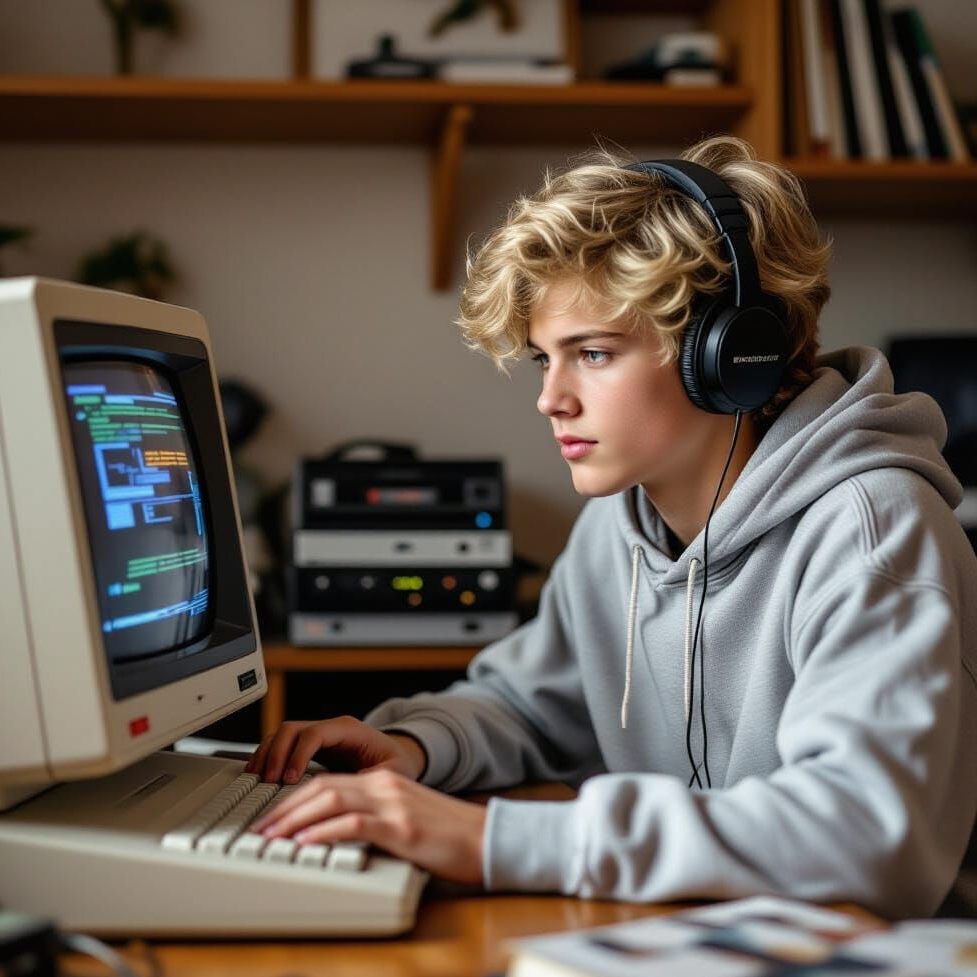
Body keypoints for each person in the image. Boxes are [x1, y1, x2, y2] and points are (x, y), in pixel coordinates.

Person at [248, 135, 977, 918]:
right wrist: (418, 745)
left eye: (592, 354)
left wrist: (495, 839)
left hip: (873, 975)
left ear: (732, 357)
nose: (550, 399)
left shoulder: (872, 531)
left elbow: (864, 837)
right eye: (543, 360)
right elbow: (532, 705)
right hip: (701, 947)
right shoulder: (615, 528)